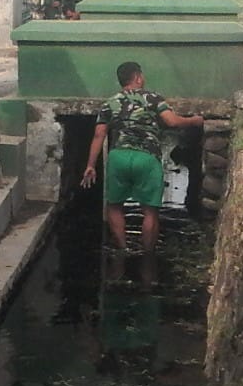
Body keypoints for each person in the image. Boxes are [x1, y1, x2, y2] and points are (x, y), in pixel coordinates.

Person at [81, 61, 205, 252]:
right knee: (150, 211)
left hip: (118, 157)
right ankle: (147, 255)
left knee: (114, 206)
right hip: (147, 158)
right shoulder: (153, 98)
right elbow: (171, 122)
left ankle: (122, 249)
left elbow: (99, 135)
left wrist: (90, 165)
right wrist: (194, 121)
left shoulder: (110, 103)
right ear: (138, 77)